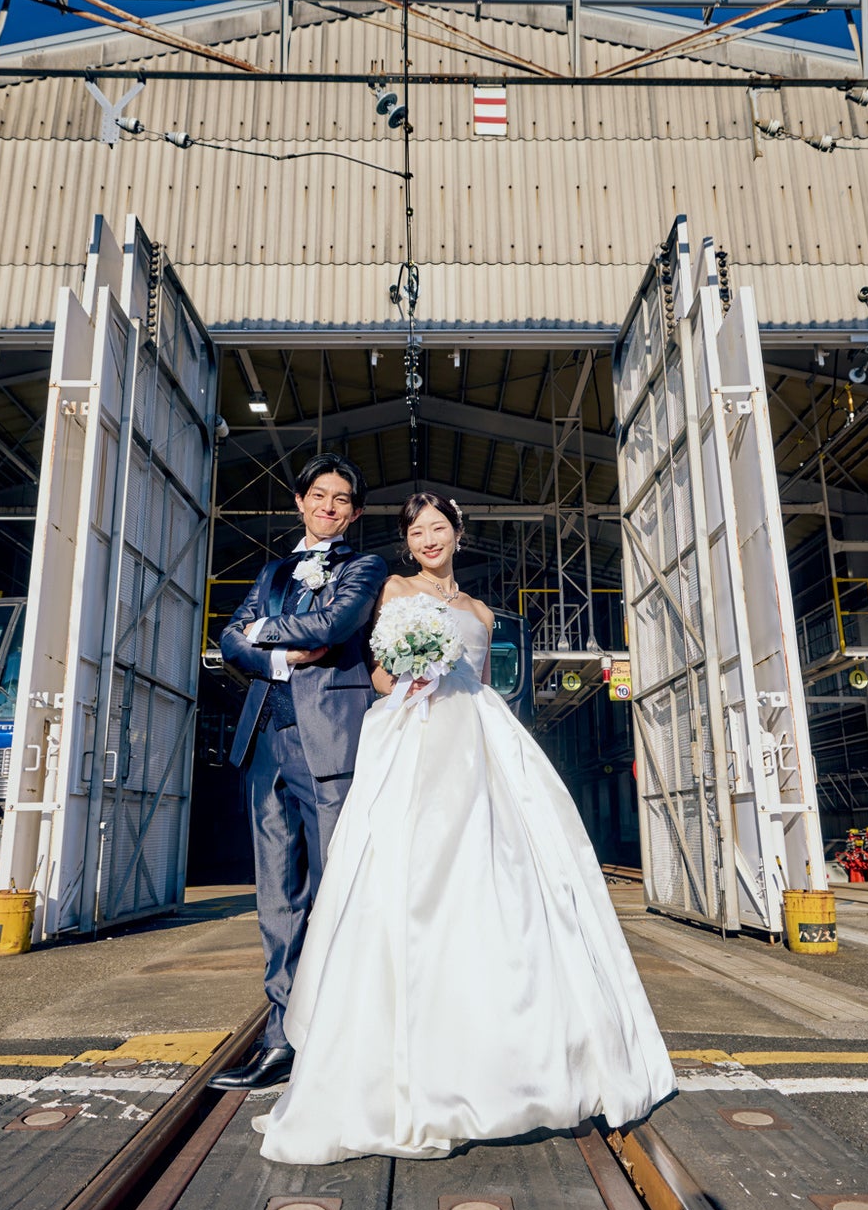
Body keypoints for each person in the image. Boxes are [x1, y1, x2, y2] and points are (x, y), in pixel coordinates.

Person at [254, 492, 674, 1163]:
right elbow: (379, 676)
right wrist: (408, 675)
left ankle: (511, 1054)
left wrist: (447, 679)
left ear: (458, 533)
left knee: (500, 878)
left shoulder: (482, 613)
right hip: (413, 735)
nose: (428, 539)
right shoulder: (393, 591)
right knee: (409, 881)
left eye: (438, 528)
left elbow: (479, 682)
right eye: (417, 531)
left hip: (476, 738)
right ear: (407, 540)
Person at [212, 453, 389, 1093]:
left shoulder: (366, 567)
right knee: (276, 899)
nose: (328, 506)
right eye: (319, 495)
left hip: (332, 744)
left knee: (335, 891)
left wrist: (262, 630)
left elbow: (334, 624)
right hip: (266, 741)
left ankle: (341, 1036)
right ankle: (281, 1038)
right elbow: (229, 639)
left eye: (341, 499)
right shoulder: (271, 571)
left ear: (354, 512)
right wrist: (280, 656)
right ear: (300, 501)